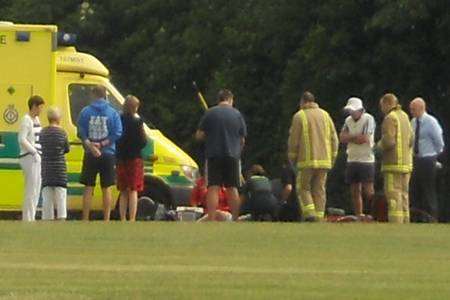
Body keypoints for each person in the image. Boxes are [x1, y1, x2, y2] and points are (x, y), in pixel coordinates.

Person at [195, 89, 247, 221]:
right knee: (232, 188)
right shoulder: (237, 114)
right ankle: (235, 218)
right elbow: (242, 139)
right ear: (230, 100)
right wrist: (238, 151)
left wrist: (210, 135)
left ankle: (211, 217)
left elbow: (199, 135)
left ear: (219, 99)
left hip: (214, 154)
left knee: (213, 187)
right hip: (232, 155)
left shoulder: (210, 113)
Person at [288, 91, 338, 221]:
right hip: (324, 161)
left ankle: (310, 215)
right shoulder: (326, 115)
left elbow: (294, 141)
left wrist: (292, 158)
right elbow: (334, 139)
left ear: (302, 102)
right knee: (320, 190)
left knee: (303, 188)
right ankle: (320, 217)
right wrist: (332, 158)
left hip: (306, 161)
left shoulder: (299, 116)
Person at [77, 85, 123, 221]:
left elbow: (80, 130)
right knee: (106, 187)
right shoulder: (113, 112)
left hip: (90, 153)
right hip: (108, 153)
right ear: (105, 95)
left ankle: (85, 218)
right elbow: (118, 132)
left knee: (88, 187)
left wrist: (90, 144)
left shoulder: (85, 112)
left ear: (94, 95)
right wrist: (103, 143)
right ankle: (106, 219)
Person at [376, 93, 413, 223]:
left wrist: (378, 146)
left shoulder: (390, 118)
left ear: (387, 104)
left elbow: (389, 141)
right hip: (406, 164)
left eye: (382, 106)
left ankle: (395, 222)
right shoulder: (405, 117)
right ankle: (405, 221)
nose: (381, 109)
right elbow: (411, 139)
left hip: (392, 164)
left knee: (393, 195)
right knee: (404, 195)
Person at [339, 97, 376, 220]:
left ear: (360, 110)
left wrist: (350, 138)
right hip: (352, 158)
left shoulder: (368, 119)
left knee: (368, 190)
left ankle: (372, 213)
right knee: (354, 190)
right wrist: (355, 138)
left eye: (353, 110)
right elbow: (342, 137)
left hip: (366, 159)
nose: (351, 113)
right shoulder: (348, 120)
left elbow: (364, 138)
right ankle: (359, 214)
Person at [409, 97, 444, 221]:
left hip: (428, 158)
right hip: (416, 158)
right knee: (415, 189)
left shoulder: (431, 122)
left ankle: (433, 217)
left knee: (428, 189)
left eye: (413, 109)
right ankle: (418, 217)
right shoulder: (413, 122)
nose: (411, 111)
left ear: (421, 108)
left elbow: (439, 142)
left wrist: (435, 156)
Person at [116, 95, 147, 222]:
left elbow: (117, 138)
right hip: (135, 158)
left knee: (123, 189)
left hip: (121, 158)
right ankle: (132, 218)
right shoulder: (138, 122)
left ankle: (122, 217)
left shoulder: (119, 120)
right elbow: (143, 141)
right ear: (135, 108)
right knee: (133, 189)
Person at [40, 107, 70, 221]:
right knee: (61, 196)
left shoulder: (43, 132)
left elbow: (41, 146)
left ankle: (47, 218)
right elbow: (67, 149)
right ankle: (61, 218)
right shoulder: (62, 133)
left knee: (47, 197)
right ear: (59, 119)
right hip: (59, 169)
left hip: (46, 168)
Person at [18, 95, 45, 221]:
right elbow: (22, 139)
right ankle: (27, 218)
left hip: (37, 157)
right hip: (29, 157)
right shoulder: (26, 120)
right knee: (31, 188)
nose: (41, 110)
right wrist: (34, 152)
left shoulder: (36, 119)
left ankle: (31, 216)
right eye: (40, 107)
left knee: (36, 188)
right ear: (34, 106)